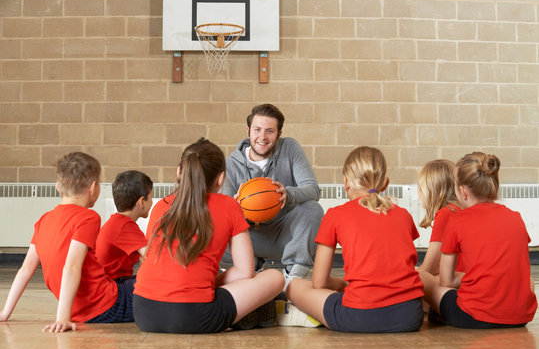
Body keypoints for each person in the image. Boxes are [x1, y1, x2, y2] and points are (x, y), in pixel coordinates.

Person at [133, 138, 285, 334]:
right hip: (194, 317)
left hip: (144, 313)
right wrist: (206, 284)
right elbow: (245, 272)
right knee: (274, 277)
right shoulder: (230, 206)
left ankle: (241, 315)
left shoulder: (161, 206)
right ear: (221, 179)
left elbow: (149, 258)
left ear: (179, 172)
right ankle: (244, 314)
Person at [286, 146, 424, 333]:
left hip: (359, 317)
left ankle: (305, 314)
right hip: (410, 317)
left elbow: (319, 283)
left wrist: (341, 285)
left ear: (346, 182)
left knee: (294, 286)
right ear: (385, 183)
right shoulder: (404, 215)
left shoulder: (335, 215)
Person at [0, 152, 133, 333]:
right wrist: (62, 318)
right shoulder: (88, 218)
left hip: (80, 310)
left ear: (58, 187)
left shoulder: (43, 220)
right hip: (106, 307)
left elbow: (25, 270)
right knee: (147, 281)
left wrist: (5, 312)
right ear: (93, 187)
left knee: (125, 281)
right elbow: (71, 267)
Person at [419, 152, 537, 328]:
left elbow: (446, 281)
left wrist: (470, 277)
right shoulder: (516, 217)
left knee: (419, 276)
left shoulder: (456, 220)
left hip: (473, 316)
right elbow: (519, 268)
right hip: (521, 317)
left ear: (463, 191)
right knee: (527, 281)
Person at [221, 103, 324, 283]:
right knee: (214, 226)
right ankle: (251, 264)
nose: (262, 136)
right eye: (257, 130)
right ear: (248, 131)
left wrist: (288, 194)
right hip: (250, 239)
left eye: (269, 131)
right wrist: (235, 210)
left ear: (279, 135)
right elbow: (223, 217)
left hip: (284, 235)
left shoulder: (290, 148)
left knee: (313, 209)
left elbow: (313, 189)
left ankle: (293, 275)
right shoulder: (230, 164)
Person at [96, 170, 153, 281]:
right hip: (111, 286)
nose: (151, 202)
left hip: (110, 282)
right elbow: (151, 258)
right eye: (150, 198)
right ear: (142, 202)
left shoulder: (117, 222)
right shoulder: (125, 226)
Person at [416, 160, 464, 275]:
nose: (418, 192)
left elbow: (428, 270)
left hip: (459, 286)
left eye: (420, 187)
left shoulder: (447, 214)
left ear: (433, 190)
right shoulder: (458, 210)